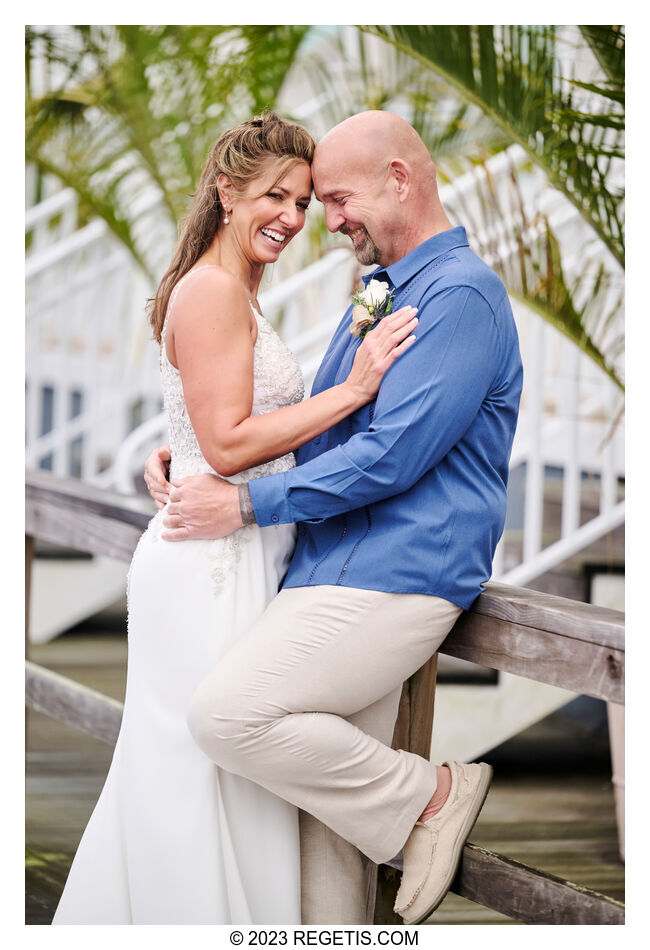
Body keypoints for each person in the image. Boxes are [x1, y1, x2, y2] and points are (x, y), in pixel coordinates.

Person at [144, 110, 523, 926]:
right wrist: (197, 460)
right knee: (319, 834)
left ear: (400, 177)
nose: (330, 218)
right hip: (324, 566)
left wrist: (244, 498)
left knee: (228, 716)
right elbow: (318, 425)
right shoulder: (383, 290)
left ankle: (433, 795)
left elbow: (391, 457)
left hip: (398, 572)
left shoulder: (460, 298)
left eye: (336, 199)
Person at [52, 112, 417, 925]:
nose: (291, 217)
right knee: (197, 775)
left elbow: (208, 427)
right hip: (210, 564)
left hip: (239, 543)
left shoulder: (232, 287)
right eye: (275, 198)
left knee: (222, 774)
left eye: (302, 202)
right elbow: (225, 440)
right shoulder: (214, 288)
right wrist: (352, 392)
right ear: (226, 191)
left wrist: (174, 452)